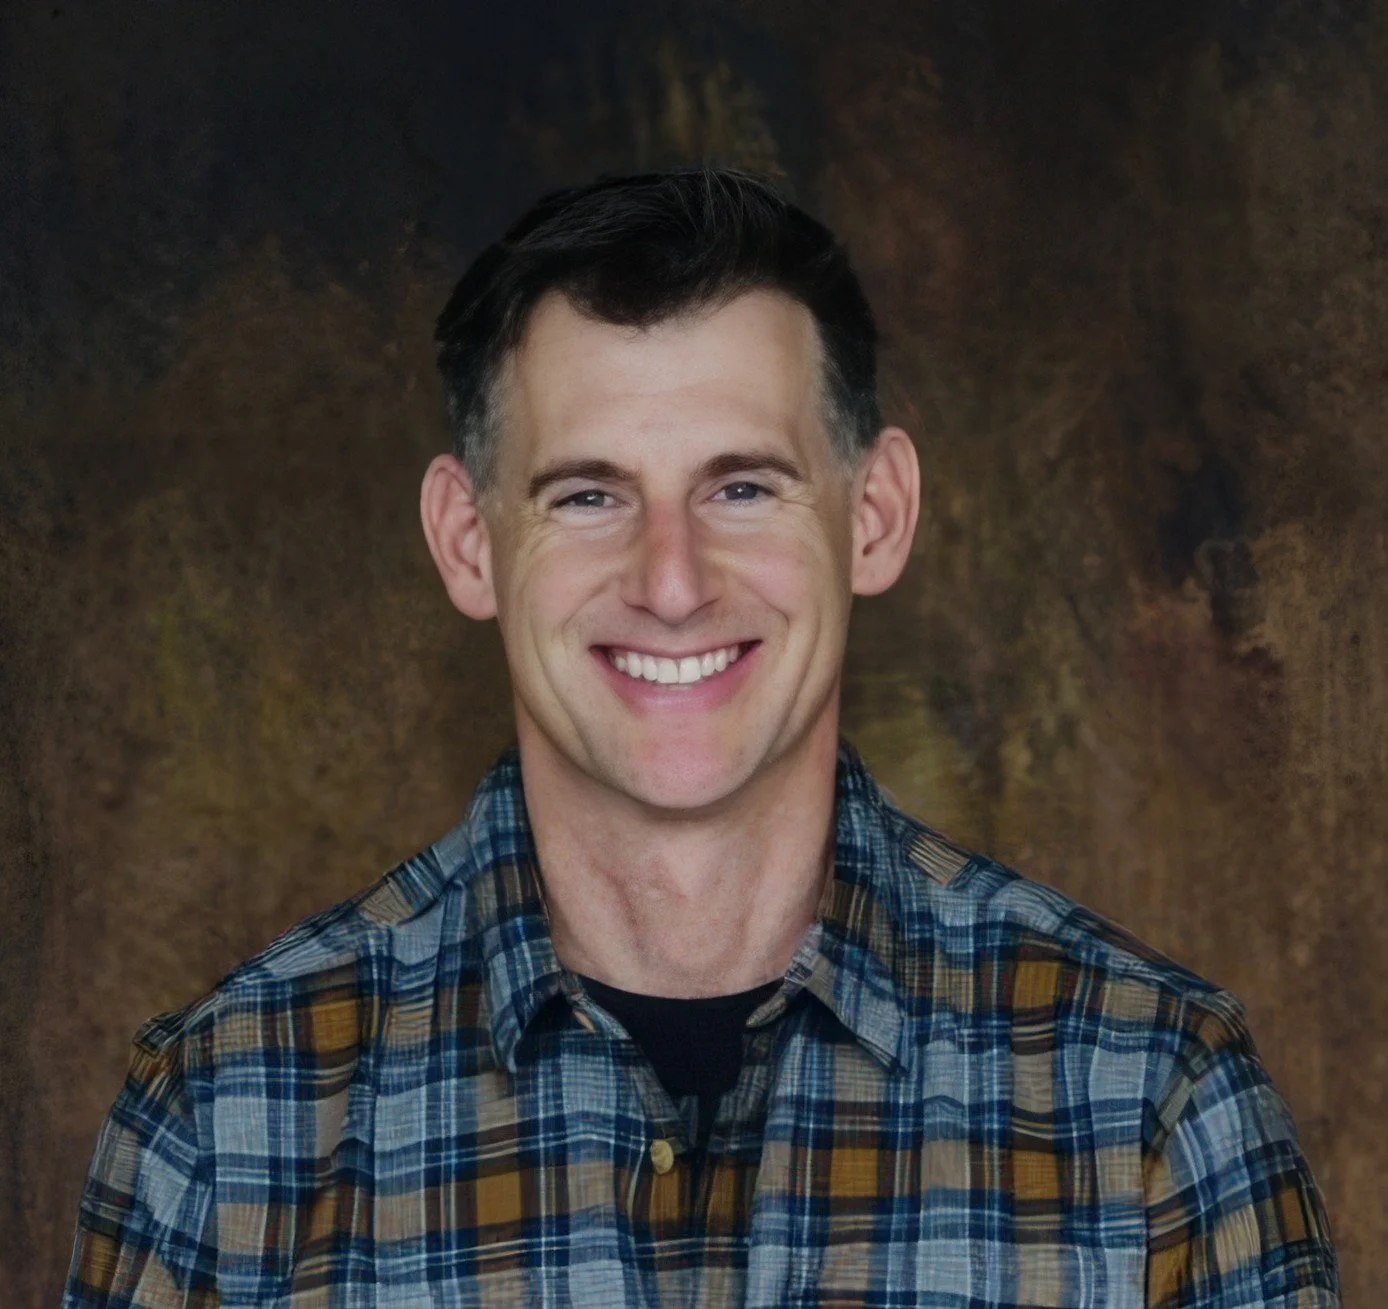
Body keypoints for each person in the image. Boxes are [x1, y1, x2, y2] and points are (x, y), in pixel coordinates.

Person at [64, 168, 1339, 1307]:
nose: (670, 580)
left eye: (740, 486)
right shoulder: (228, 1126)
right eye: (587, 494)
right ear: (467, 542)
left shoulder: (1148, 1098)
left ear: (874, 513)